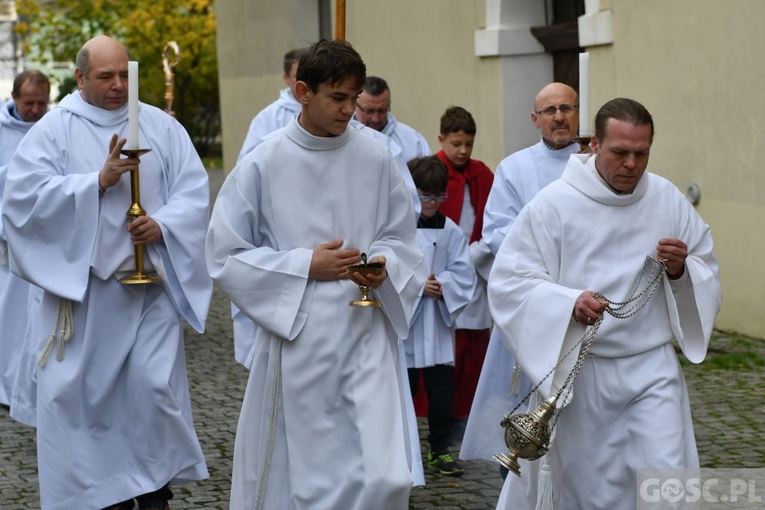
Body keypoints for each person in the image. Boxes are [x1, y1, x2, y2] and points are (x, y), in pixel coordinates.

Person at [206, 39, 426, 510]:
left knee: (385, 475)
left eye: (355, 98)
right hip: (301, 336)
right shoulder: (265, 160)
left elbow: (400, 234)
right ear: (303, 91)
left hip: (366, 331)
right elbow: (224, 255)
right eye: (338, 98)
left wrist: (384, 265)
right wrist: (305, 264)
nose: (351, 110)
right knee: (313, 478)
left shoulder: (377, 154)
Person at [2, 35, 212, 510]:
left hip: (148, 294)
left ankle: (154, 493)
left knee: (152, 394)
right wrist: (95, 183)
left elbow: (194, 193)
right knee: (80, 408)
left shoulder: (160, 126)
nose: (119, 86)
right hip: (84, 301)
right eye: (106, 77)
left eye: (124, 75)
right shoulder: (54, 131)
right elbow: (20, 205)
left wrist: (163, 225)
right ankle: (104, 498)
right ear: (80, 78)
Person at [489, 97, 721, 510]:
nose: (631, 163)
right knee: (591, 493)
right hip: (585, 371)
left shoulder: (667, 199)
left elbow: (706, 269)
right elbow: (510, 282)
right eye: (620, 152)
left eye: (641, 153)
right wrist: (567, 303)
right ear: (594, 144)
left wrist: (681, 271)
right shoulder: (553, 204)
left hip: (652, 367)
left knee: (666, 480)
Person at [460, 82, 582, 466]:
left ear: (578, 113)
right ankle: (520, 457)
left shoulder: (596, 163)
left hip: (583, 297)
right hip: (533, 297)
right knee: (522, 395)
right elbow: (497, 233)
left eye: (566, 108)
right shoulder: (515, 167)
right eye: (550, 111)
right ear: (535, 119)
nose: (559, 116)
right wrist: (548, 262)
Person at [402, 156, 476, 477]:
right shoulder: (398, 228)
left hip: (436, 321)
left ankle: (439, 449)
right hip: (405, 322)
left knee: (441, 392)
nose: (431, 202)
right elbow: (387, 267)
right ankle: (400, 449)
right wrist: (418, 286)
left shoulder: (451, 231)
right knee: (403, 387)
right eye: (424, 195)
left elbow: (464, 273)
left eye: (437, 195)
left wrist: (442, 285)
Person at [427, 106, 493, 424]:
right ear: (441, 139)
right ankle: (441, 418)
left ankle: (469, 415)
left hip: (477, 269)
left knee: (474, 351)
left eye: (469, 143)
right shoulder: (431, 173)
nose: (463, 151)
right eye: (456, 144)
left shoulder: (483, 173)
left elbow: (494, 223)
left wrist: (473, 257)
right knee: (444, 353)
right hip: (442, 273)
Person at [0, 70, 50, 410]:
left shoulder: (52, 129)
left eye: (41, 103)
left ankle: (21, 381)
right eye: (28, 103)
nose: (35, 110)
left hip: (37, 237)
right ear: (14, 99)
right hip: (4, 239)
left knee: (27, 318)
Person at [236, 47, 307, 164]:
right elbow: (246, 164)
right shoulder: (267, 118)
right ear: (286, 79)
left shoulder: (336, 112)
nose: (304, 83)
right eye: (298, 77)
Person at [354, 75, 430, 162]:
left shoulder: (413, 140)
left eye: (382, 111)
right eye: (369, 111)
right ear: (355, 105)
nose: (376, 118)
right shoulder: (342, 135)